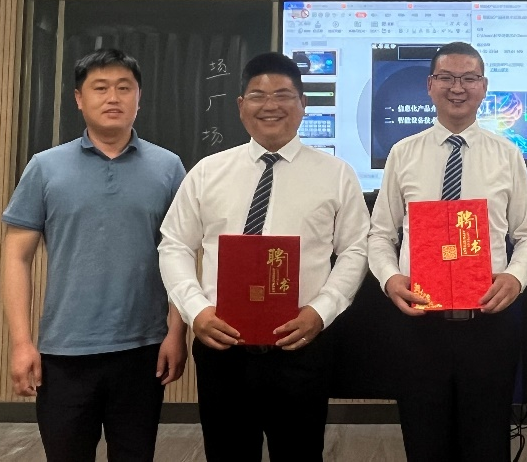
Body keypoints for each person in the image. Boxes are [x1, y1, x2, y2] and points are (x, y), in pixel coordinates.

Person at [158, 51, 369, 462]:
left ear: (303, 104)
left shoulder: (336, 174)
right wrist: (195, 310)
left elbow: (355, 249)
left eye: (283, 95)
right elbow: (174, 244)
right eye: (257, 95)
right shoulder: (207, 172)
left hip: (301, 345)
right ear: (241, 106)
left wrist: (322, 311)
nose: (270, 105)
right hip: (222, 345)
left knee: (300, 454)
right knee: (227, 453)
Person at [1, 48, 188, 462]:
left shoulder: (169, 167)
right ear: (79, 98)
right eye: (100, 88)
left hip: (143, 348)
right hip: (64, 352)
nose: (113, 98)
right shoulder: (45, 167)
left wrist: (177, 333)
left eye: (124, 88)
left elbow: (183, 255)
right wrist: (21, 343)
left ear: (139, 97)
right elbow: (16, 257)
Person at [367, 41, 527, 462]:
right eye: (446, 77)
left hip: (488, 323)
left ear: (484, 87)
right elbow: (380, 235)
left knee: (487, 443)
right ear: (430, 85)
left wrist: (515, 278)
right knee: (424, 442)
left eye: (468, 78)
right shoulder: (403, 153)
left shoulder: (507, 155)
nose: (457, 87)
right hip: (419, 324)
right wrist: (390, 279)